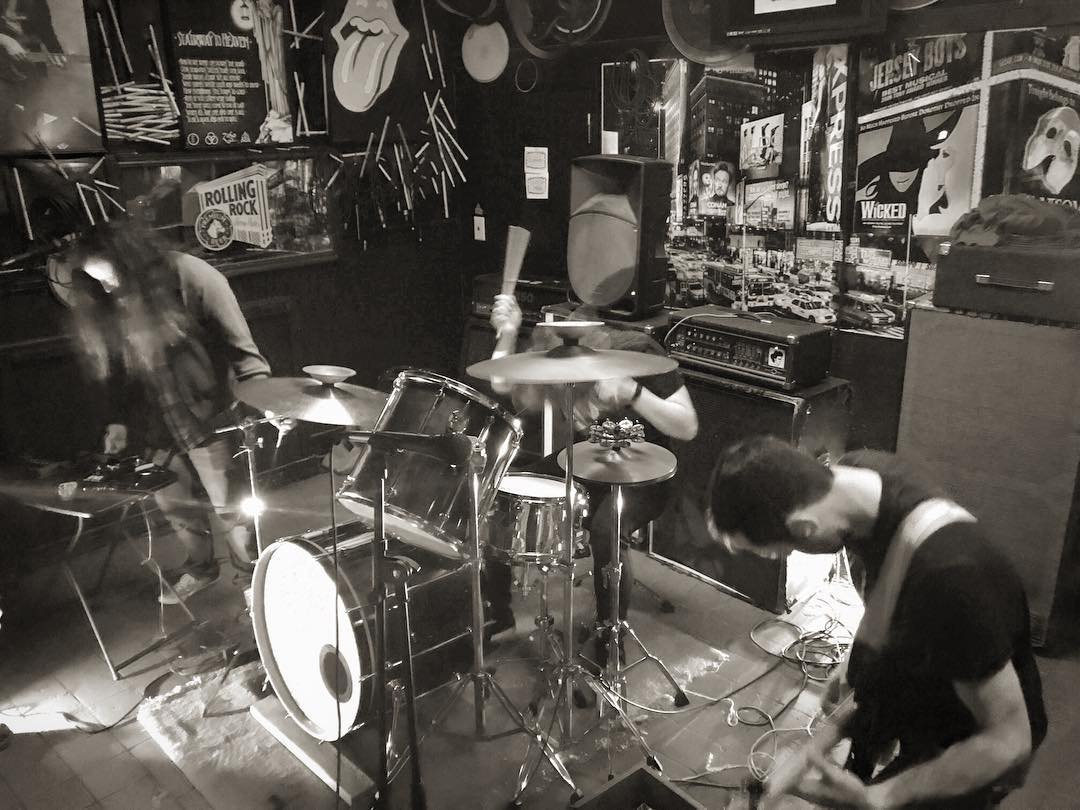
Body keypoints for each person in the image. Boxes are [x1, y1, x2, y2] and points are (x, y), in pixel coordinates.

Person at [706, 437, 1046, 809]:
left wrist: (882, 795)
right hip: (927, 675)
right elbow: (893, 584)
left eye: (780, 552)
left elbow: (1010, 741)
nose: (782, 556)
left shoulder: (952, 578)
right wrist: (852, 672)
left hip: (970, 741)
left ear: (804, 527)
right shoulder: (858, 478)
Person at [48, 219, 273, 604]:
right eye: (97, 281)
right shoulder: (108, 298)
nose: (106, 288)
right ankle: (201, 568)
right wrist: (118, 419)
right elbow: (118, 368)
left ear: (130, 261)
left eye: (110, 277)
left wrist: (263, 399)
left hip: (210, 416)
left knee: (232, 509)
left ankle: (254, 580)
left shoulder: (193, 276)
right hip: (155, 424)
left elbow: (243, 351)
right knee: (176, 506)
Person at [485, 295, 698, 668]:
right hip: (587, 459)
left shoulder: (639, 352)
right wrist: (507, 331)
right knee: (503, 492)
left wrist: (634, 392)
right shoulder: (558, 360)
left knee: (606, 529)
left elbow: (687, 426)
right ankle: (498, 613)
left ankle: (609, 636)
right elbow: (503, 382)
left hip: (647, 471)